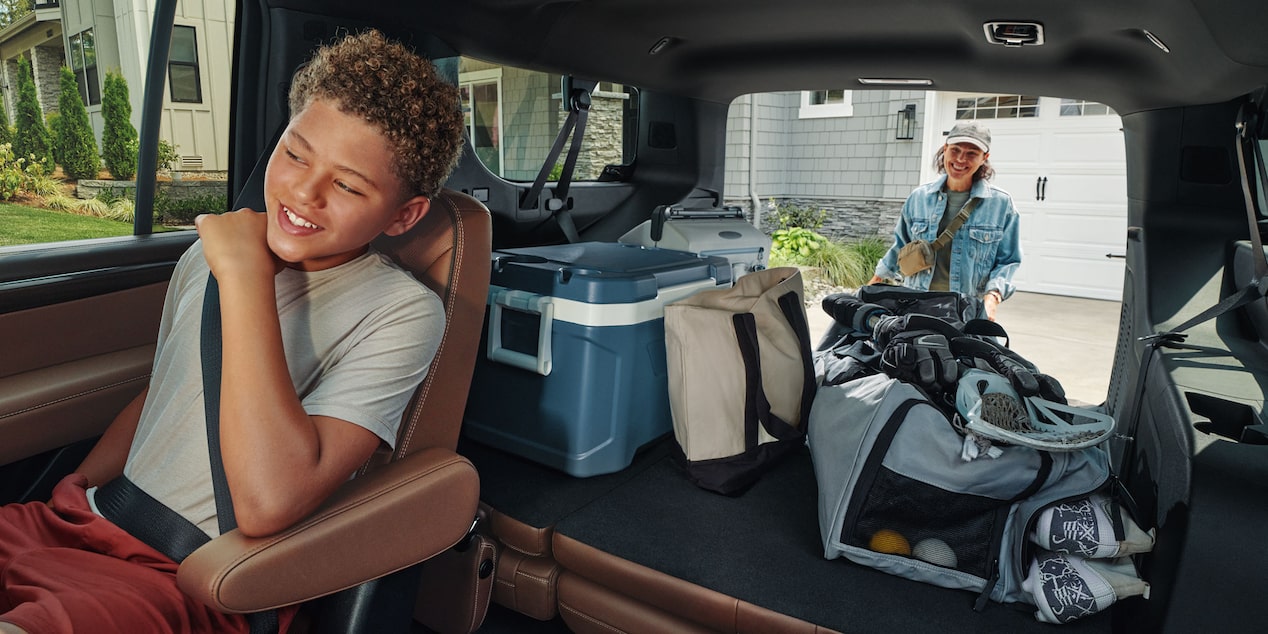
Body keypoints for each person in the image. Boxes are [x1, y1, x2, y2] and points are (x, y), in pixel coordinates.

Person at [0, 30, 465, 634]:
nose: (303, 191)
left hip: (191, 578)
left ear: (404, 215)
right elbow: (169, 392)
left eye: (348, 185)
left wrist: (246, 276)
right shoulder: (207, 258)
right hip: (81, 521)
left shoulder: (400, 313)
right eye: (295, 154)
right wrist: (83, 486)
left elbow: (270, 501)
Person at [869, 121, 1021, 321]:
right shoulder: (919, 198)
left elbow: (1008, 260)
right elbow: (901, 246)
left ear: (985, 158)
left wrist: (993, 296)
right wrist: (874, 282)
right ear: (945, 149)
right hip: (917, 305)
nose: (960, 159)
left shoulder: (1001, 205)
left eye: (971, 154)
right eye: (955, 150)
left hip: (967, 311)